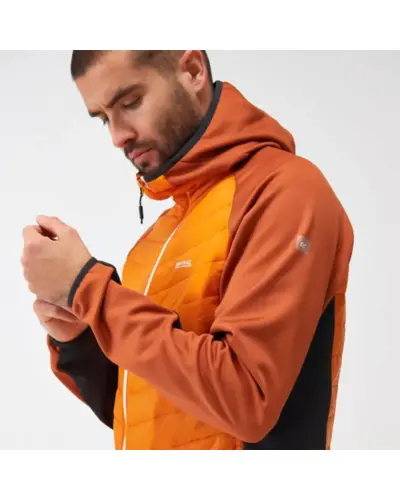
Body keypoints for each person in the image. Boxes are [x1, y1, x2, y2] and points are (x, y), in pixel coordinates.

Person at [22, 50, 354, 450]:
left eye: (130, 103)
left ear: (192, 71)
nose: (117, 136)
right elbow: (157, 407)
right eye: (104, 118)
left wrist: (89, 289)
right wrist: (80, 339)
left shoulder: (284, 192)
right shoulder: (162, 235)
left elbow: (246, 400)